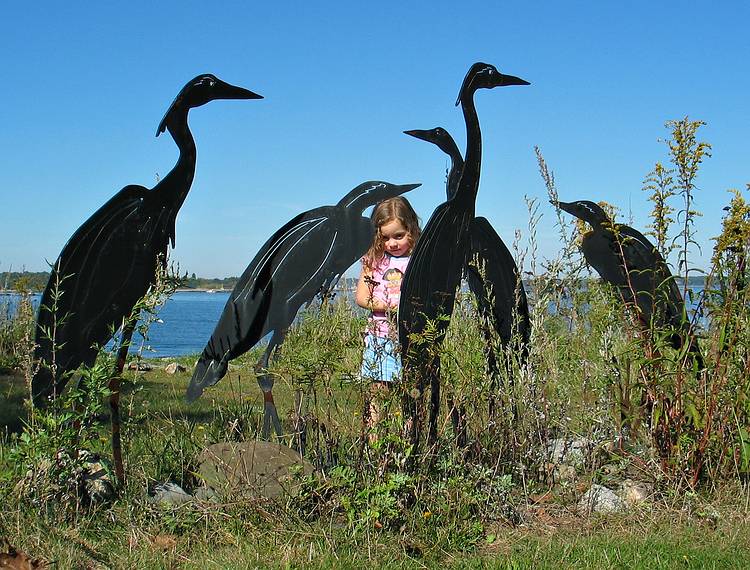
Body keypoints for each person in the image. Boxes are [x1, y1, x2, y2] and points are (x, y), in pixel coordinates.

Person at [355, 196, 421, 435]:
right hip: (380, 337)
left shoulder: (419, 260)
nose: (392, 243)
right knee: (378, 392)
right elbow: (361, 297)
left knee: (411, 393)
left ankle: (408, 441)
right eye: (385, 237)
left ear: (412, 229)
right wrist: (388, 305)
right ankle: (374, 441)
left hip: (410, 338)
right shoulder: (374, 261)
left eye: (399, 236)